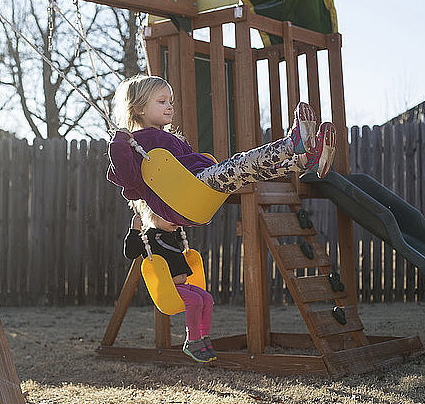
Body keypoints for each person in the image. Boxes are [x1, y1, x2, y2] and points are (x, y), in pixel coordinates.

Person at [107, 74, 337, 226]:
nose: (170, 107)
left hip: (201, 189)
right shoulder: (134, 145)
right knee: (242, 163)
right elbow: (128, 180)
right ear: (139, 108)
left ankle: (305, 160)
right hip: (185, 195)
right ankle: (292, 144)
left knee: (250, 171)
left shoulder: (167, 139)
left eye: (171, 101)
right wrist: (119, 144)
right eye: (162, 102)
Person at [124, 200, 217, 363]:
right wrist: (134, 229)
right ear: (152, 215)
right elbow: (131, 252)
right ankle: (192, 341)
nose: (174, 219)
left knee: (207, 299)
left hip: (184, 286)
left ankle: (204, 337)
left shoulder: (172, 234)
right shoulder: (149, 238)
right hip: (170, 289)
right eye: (169, 216)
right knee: (195, 301)